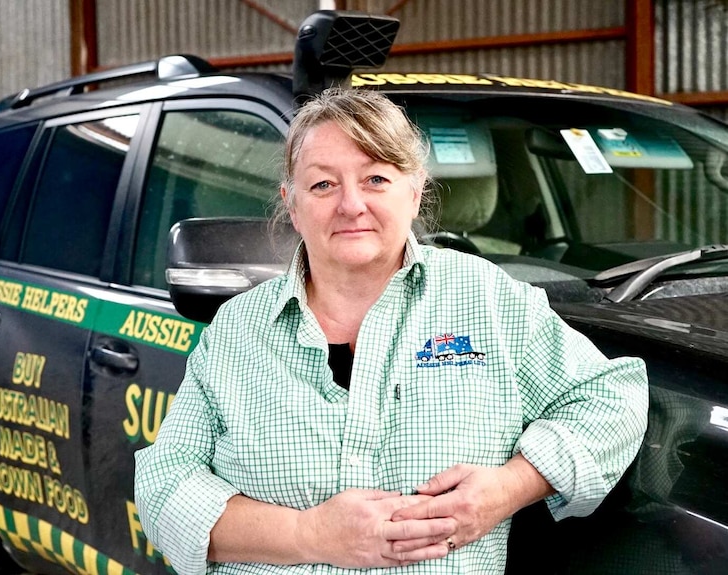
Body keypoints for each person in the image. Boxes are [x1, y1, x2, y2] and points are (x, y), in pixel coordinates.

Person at [134, 88, 649, 575]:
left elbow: (613, 398)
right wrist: (308, 533)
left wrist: (508, 488)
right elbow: (163, 485)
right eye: (323, 184)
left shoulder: (487, 299)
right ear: (291, 204)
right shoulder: (239, 331)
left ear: (415, 189)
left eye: (376, 179)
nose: (351, 205)